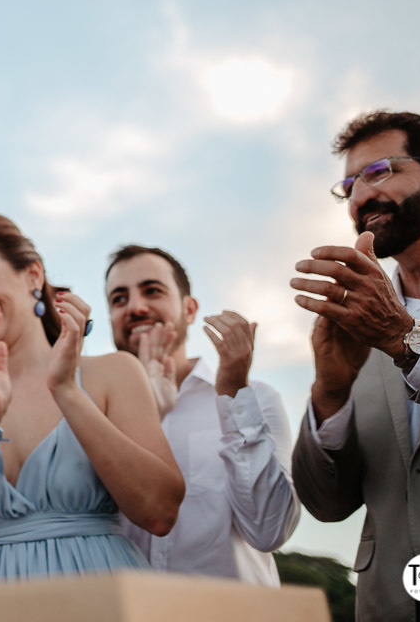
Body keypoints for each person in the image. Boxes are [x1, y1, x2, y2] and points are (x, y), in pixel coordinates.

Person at [0, 214, 184, 582]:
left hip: (97, 593)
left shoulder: (112, 373)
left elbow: (161, 512)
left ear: (33, 276)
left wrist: (67, 391)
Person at [291, 111, 420, 622]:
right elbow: (326, 505)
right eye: (348, 185)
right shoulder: (355, 317)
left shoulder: (379, 321)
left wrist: (400, 336)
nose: (361, 197)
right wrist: (329, 393)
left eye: (381, 172)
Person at [104, 246, 299, 585]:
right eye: (119, 299)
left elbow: (270, 530)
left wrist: (234, 395)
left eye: (152, 291)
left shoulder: (256, 399)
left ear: (189, 309)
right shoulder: (93, 413)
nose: (135, 307)